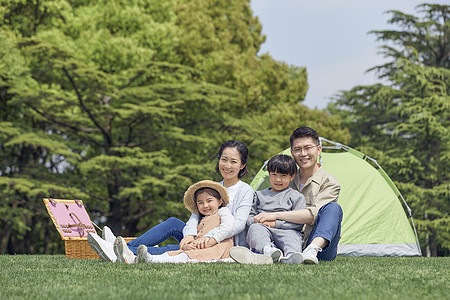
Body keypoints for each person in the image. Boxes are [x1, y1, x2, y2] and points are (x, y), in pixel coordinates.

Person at [87, 140, 254, 262]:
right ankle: (122, 246)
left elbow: (238, 225)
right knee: (174, 223)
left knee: (174, 250)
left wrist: (209, 238)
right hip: (199, 234)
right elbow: (194, 217)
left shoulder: (244, 190)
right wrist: (189, 236)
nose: (227, 165)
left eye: (233, 162)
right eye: (224, 159)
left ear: (242, 166)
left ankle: (123, 250)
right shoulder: (213, 187)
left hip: (222, 241)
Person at [231, 126, 343, 265]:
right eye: (298, 149)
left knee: (333, 208)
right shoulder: (283, 176)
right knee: (261, 234)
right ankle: (268, 252)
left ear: (318, 149)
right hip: (277, 237)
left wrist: (275, 216)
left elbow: (311, 215)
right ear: (292, 152)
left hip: (316, 244)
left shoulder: (329, 183)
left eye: (308, 148)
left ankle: (311, 251)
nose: (303, 153)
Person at [114, 180, 234, 263]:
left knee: (172, 248)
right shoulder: (199, 217)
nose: (205, 205)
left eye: (209, 201)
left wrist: (209, 240)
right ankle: (127, 248)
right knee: (173, 223)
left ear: (219, 201)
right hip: (195, 244)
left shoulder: (222, 212)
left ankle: (127, 251)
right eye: (200, 203)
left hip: (210, 246)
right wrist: (188, 239)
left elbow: (228, 227)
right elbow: (190, 226)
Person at [230, 154, 306, 264]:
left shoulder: (296, 197)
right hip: (262, 226)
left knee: (292, 237)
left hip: (286, 229)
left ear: (292, 176)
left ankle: (291, 256)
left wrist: (276, 224)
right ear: (269, 174)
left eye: (283, 175)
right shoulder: (258, 195)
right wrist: (256, 220)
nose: (278, 179)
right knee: (255, 229)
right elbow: (249, 217)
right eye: (274, 174)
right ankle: (268, 251)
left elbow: (298, 224)